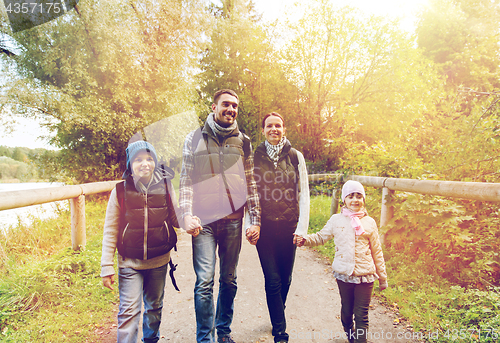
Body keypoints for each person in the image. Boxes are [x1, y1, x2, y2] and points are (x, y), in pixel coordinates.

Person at [179, 89, 261, 343]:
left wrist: (254, 220)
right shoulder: (193, 139)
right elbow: (185, 180)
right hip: (203, 223)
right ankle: (205, 337)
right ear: (213, 107)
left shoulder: (244, 142)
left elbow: (251, 183)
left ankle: (223, 332)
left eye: (235, 106)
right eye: (226, 104)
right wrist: (186, 215)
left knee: (229, 279)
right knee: (204, 281)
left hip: (233, 222)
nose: (231, 109)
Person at [100, 140, 180, 343]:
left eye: (149, 158)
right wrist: (106, 266)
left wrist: (192, 219)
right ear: (130, 164)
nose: (145, 163)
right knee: (128, 312)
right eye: (138, 159)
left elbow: (176, 218)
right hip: (129, 263)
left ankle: (151, 340)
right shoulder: (119, 191)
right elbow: (110, 230)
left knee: (154, 308)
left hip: (159, 261)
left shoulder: (166, 185)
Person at [295, 180, 388, 343]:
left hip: (365, 275)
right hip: (344, 275)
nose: (355, 200)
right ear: (344, 199)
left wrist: (383, 278)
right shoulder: (336, 220)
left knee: (362, 314)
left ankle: (359, 341)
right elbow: (320, 237)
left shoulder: (370, 223)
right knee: (347, 310)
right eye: (351, 196)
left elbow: (377, 251)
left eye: (359, 196)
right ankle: (349, 331)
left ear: (364, 199)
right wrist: (305, 240)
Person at [252, 112, 310, 343]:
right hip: (265, 229)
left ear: (284, 129)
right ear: (263, 130)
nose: (274, 129)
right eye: (269, 126)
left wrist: (302, 228)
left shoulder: (296, 157)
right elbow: (251, 194)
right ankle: (280, 331)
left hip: (289, 228)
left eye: (278, 125)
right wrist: (252, 224)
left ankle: (277, 312)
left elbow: (303, 193)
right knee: (273, 279)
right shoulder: (254, 157)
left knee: (286, 278)